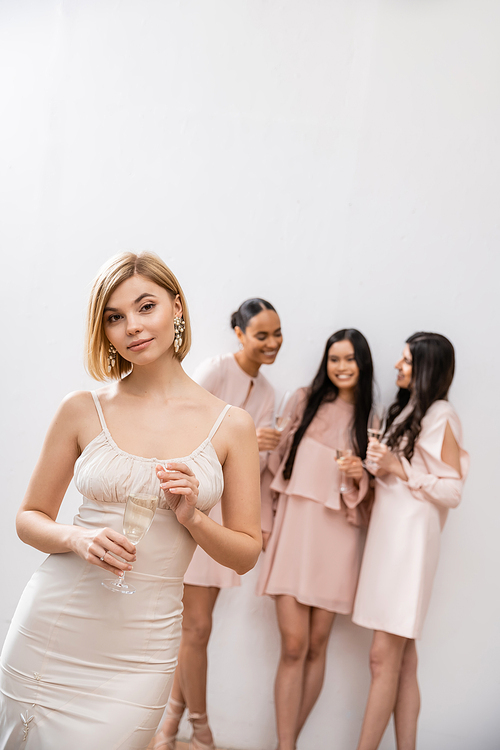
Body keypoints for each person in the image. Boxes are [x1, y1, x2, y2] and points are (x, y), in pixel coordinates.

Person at [0, 252, 262, 749]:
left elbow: (247, 553)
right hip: (54, 629)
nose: (133, 327)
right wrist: (78, 537)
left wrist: (194, 519)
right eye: (115, 317)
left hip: (142, 649)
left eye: (146, 307)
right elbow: (28, 518)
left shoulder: (231, 426)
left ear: (177, 307)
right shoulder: (82, 408)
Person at [154, 298, 283, 750]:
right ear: (240, 334)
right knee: (196, 628)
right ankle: (201, 728)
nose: (272, 343)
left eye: (277, 333)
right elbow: (181, 429)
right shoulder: (215, 370)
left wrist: (259, 451)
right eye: (262, 334)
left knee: (195, 629)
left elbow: (254, 473)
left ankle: (171, 725)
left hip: (227, 523)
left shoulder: (267, 392)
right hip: (191, 513)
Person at [256, 329, 374, 750]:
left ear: (362, 364)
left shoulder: (370, 420)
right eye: (334, 358)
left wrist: (359, 476)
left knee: (316, 645)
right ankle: (285, 746)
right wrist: (265, 522)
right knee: (293, 644)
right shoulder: (303, 400)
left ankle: (286, 745)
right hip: (293, 535)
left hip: (338, 541)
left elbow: (371, 500)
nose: (341, 367)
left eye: (349, 359)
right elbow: (272, 471)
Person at [352, 332, 469, 750]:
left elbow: (452, 491)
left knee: (382, 658)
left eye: (406, 362)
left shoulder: (441, 414)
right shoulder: (405, 411)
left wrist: (400, 469)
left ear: (426, 368)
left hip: (410, 544)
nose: (398, 367)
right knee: (403, 661)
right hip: (389, 540)